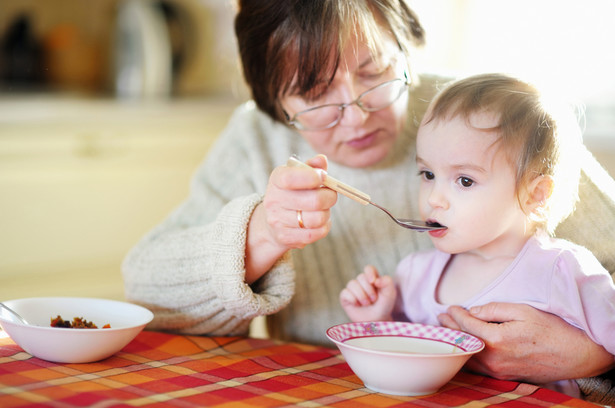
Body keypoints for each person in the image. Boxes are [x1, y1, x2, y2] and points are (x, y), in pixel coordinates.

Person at [122, 0, 615, 403]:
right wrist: (264, 234)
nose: (357, 116)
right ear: (275, 102)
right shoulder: (255, 139)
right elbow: (147, 289)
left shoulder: (490, 119)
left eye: (375, 72)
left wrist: (594, 360)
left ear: (406, 46)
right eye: (315, 95)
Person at [339, 73, 615, 398]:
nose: (433, 199)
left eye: (464, 181)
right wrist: (378, 319)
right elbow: (405, 360)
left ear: (535, 194)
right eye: (428, 174)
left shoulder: (564, 269)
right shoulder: (413, 274)